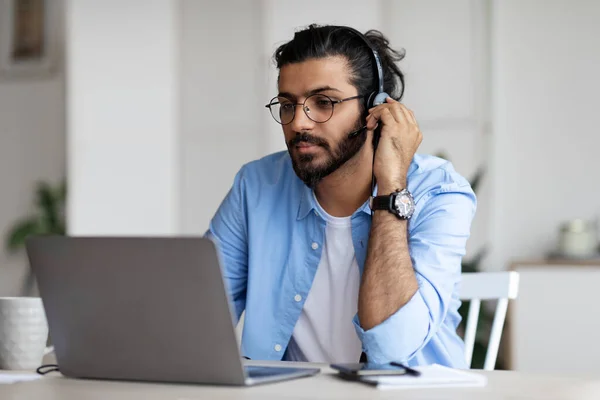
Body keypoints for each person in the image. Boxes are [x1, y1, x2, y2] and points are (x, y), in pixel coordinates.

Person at [206, 24, 476, 368]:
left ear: (375, 109)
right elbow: (198, 322)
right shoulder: (256, 185)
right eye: (288, 104)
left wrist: (391, 184)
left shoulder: (439, 191)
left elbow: (393, 348)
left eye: (323, 102)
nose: (299, 123)